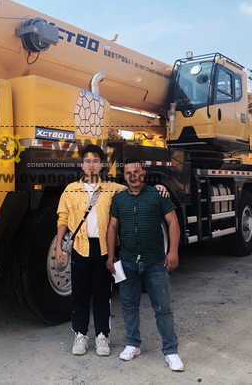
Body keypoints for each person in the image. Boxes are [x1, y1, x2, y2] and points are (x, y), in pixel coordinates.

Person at [56, 146, 168, 357]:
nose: (91, 165)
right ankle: (80, 335)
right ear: (82, 165)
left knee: (102, 295)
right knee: (79, 294)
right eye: (87, 161)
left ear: (101, 165)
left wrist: (158, 187)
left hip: (103, 249)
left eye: (95, 161)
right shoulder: (70, 190)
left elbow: (136, 187)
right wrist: (58, 246)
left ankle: (102, 336)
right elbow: (63, 218)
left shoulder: (112, 189)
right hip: (80, 248)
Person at [106, 158, 184, 371]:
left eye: (137, 171)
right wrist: (111, 256)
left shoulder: (158, 195)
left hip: (155, 263)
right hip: (128, 262)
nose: (133, 175)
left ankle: (171, 351)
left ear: (144, 173)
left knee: (163, 308)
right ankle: (133, 344)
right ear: (124, 176)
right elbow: (112, 227)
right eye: (128, 172)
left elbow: (173, 222)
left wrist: (173, 251)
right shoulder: (119, 199)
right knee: (129, 305)